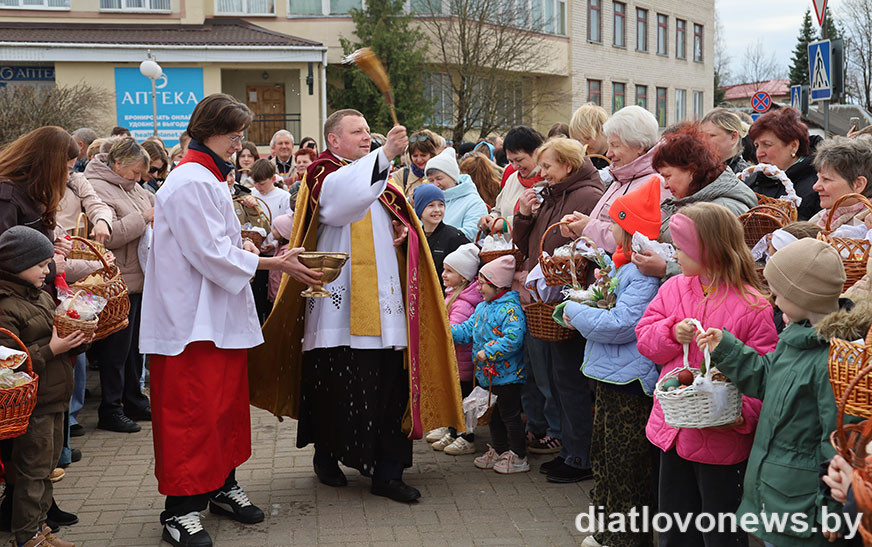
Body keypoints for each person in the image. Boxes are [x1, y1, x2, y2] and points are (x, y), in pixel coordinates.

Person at [248, 109, 464, 504]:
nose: (366, 137)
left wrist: (402, 230)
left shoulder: (382, 181)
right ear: (333, 140)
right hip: (336, 309)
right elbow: (341, 203)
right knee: (334, 388)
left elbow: (401, 219)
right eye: (357, 131)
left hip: (386, 307)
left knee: (388, 389)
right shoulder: (323, 173)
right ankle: (327, 455)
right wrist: (384, 157)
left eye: (368, 131)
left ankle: (388, 472)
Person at [139, 93, 320, 547]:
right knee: (190, 414)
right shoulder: (190, 181)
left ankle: (219, 485)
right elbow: (210, 254)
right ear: (206, 131)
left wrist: (255, 250)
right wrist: (276, 263)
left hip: (213, 316)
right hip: (188, 323)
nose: (239, 139)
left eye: (240, 131)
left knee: (224, 409)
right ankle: (180, 511)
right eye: (231, 131)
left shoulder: (208, 177)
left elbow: (215, 246)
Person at [636, 202, 779, 547]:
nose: (675, 255)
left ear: (709, 250)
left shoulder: (753, 305)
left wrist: (740, 416)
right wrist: (671, 332)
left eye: (682, 249)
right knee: (674, 523)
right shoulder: (673, 288)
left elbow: (763, 373)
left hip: (722, 436)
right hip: (674, 427)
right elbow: (645, 338)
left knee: (720, 529)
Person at [697, 238, 850, 547]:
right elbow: (769, 378)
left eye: (779, 292)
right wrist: (728, 349)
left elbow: (838, 443)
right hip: (778, 494)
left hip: (804, 508)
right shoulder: (796, 335)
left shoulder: (832, 362)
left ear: (803, 296)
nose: (773, 298)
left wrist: (835, 511)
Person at [561, 177, 663, 547]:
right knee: (605, 456)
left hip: (629, 382)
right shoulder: (624, 266)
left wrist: (574, 310)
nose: (609, 228)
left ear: (629, 229)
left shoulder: (639, 274)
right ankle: (607, 531)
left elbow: (622, 325)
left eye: (615, 222)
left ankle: (624, 538)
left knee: (625, 463)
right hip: (611, 375)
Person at [513, 137, 603, 482]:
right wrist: (523, 216)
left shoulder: (587, 196)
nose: (542, 172)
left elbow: (592, 254)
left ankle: (580, 455)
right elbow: (526, 245)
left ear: (567, 164)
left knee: (570, 381)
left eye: (548, 166)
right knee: (557, 379)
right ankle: (570, 449)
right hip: (547, 302)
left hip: (569, 302)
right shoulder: (552, 194)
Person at [0, 226, 88, 547]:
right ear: (16, 263)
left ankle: (40, 530)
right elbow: (10, 365)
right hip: (33, 404)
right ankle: (27, 538)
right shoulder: (6, 305)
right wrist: (54, 349)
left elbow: (56, 334)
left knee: (47, 469)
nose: (47, 270)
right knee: (31, 474)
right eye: (40, 265)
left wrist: (78, 337)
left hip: (55, 398)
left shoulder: (37, 294)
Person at [85, 137, 154, 434]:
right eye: (135, 173)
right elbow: (107, 237)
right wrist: (144, 218)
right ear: (117, 164)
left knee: (134, 349)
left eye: (141, 175)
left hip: (138, 279)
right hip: (117, 281)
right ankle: (110, 409)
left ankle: (133, 400)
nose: (139, 179)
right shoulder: (98, 185)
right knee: (116, 351)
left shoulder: (132, 187)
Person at [633, 124, 758, 279]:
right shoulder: (696, 198)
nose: (665, 184)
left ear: (692, 171)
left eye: (668, 176)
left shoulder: (723, 209)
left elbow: (723, 269)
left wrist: (665, 269)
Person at [452, 256, 528, 474]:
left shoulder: (510, 310)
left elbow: (514, 338)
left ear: (497, 285)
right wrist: (448, 331)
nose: (478, 287)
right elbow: (467, 330)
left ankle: (518, 455)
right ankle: (499, 449)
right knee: (493, 415)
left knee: (510, 415)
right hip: (488, 376)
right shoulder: (482, 308)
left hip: (508, 376)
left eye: (482, 282)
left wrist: (490, 352)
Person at [559, 105, 666, 253]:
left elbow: (637, 242)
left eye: (615, 146)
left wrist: (587, 227)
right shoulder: (621, 177)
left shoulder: (656, 185)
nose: (609, 154)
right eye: (609, 146)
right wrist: (578, 227)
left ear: (640, 146)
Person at [0, 126, 81, 288]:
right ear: (49, 165)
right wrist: (51, 268)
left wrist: (46, 245)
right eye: (66, 169)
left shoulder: (30, 191)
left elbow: (21, 244)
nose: (66, 177)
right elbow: (4, 256)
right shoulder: (7, 197)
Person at [427, 243, 482, 455]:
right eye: (444, 269)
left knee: (464, 402)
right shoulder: (453, 295)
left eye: (449, 271)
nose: (443, 274)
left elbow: (457, 333)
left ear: (464, 276)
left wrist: (438, 327)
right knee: (454, 398)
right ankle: (453, 430)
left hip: (463, 363)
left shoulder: (464, 303)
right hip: (455, 361)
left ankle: (466, 437)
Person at [744, 107, 820, 221]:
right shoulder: (751, 182)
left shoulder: (817, 184)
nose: (759, 153)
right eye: (756, 146)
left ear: (793, 146)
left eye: (767, 144)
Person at [479, 126, 544, 231]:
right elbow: (498, 210)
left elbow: (542, 220)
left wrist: (506, 224)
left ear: (536, 153)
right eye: (511, 161)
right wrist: (490, 219)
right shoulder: (513, 179)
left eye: (519, 160)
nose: (515, 167)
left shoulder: (550, 179)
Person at [422, 148, 488, 240]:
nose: (435, 184)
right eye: (431, 180)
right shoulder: (426, 200)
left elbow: (471, 234)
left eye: (439, 178)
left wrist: (435, 239)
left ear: (453, 178)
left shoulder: (473, 202)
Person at [808, 136, 872, 229]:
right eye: (818, 178)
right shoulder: (823, 216)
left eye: (826, 179)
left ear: (859, 184)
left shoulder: (864, 230)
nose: (815, 186)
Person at [413, 183, 468, 287]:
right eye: (431, 205)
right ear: (419, 209)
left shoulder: (454, 236)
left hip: (447, 296)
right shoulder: (415, 236)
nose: (437, 210)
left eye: (441, 204)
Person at [700, 108, 750, 174]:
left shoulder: (746, 176)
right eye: (701, 136)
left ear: (733, 137)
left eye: (711, 135)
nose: (703, 141)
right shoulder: (698, 172)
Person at [389, 130, 439, 197]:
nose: (419, 160)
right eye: (415, 156)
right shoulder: (401, 175)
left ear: (432, 154)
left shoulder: (440, 174)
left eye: (423, 155)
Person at [569, 103, 610, 170]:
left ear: (602, 130)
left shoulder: (617, 158)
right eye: (578, 140)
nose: (583, 144)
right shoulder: (581, 160)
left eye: (587, 138)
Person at [268, 213, 293, 303]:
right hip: (274, 294)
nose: (272, 231)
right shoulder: (279, 246)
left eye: (275, 229)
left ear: (284, 232)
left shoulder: (287, 252)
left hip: (281, 297)